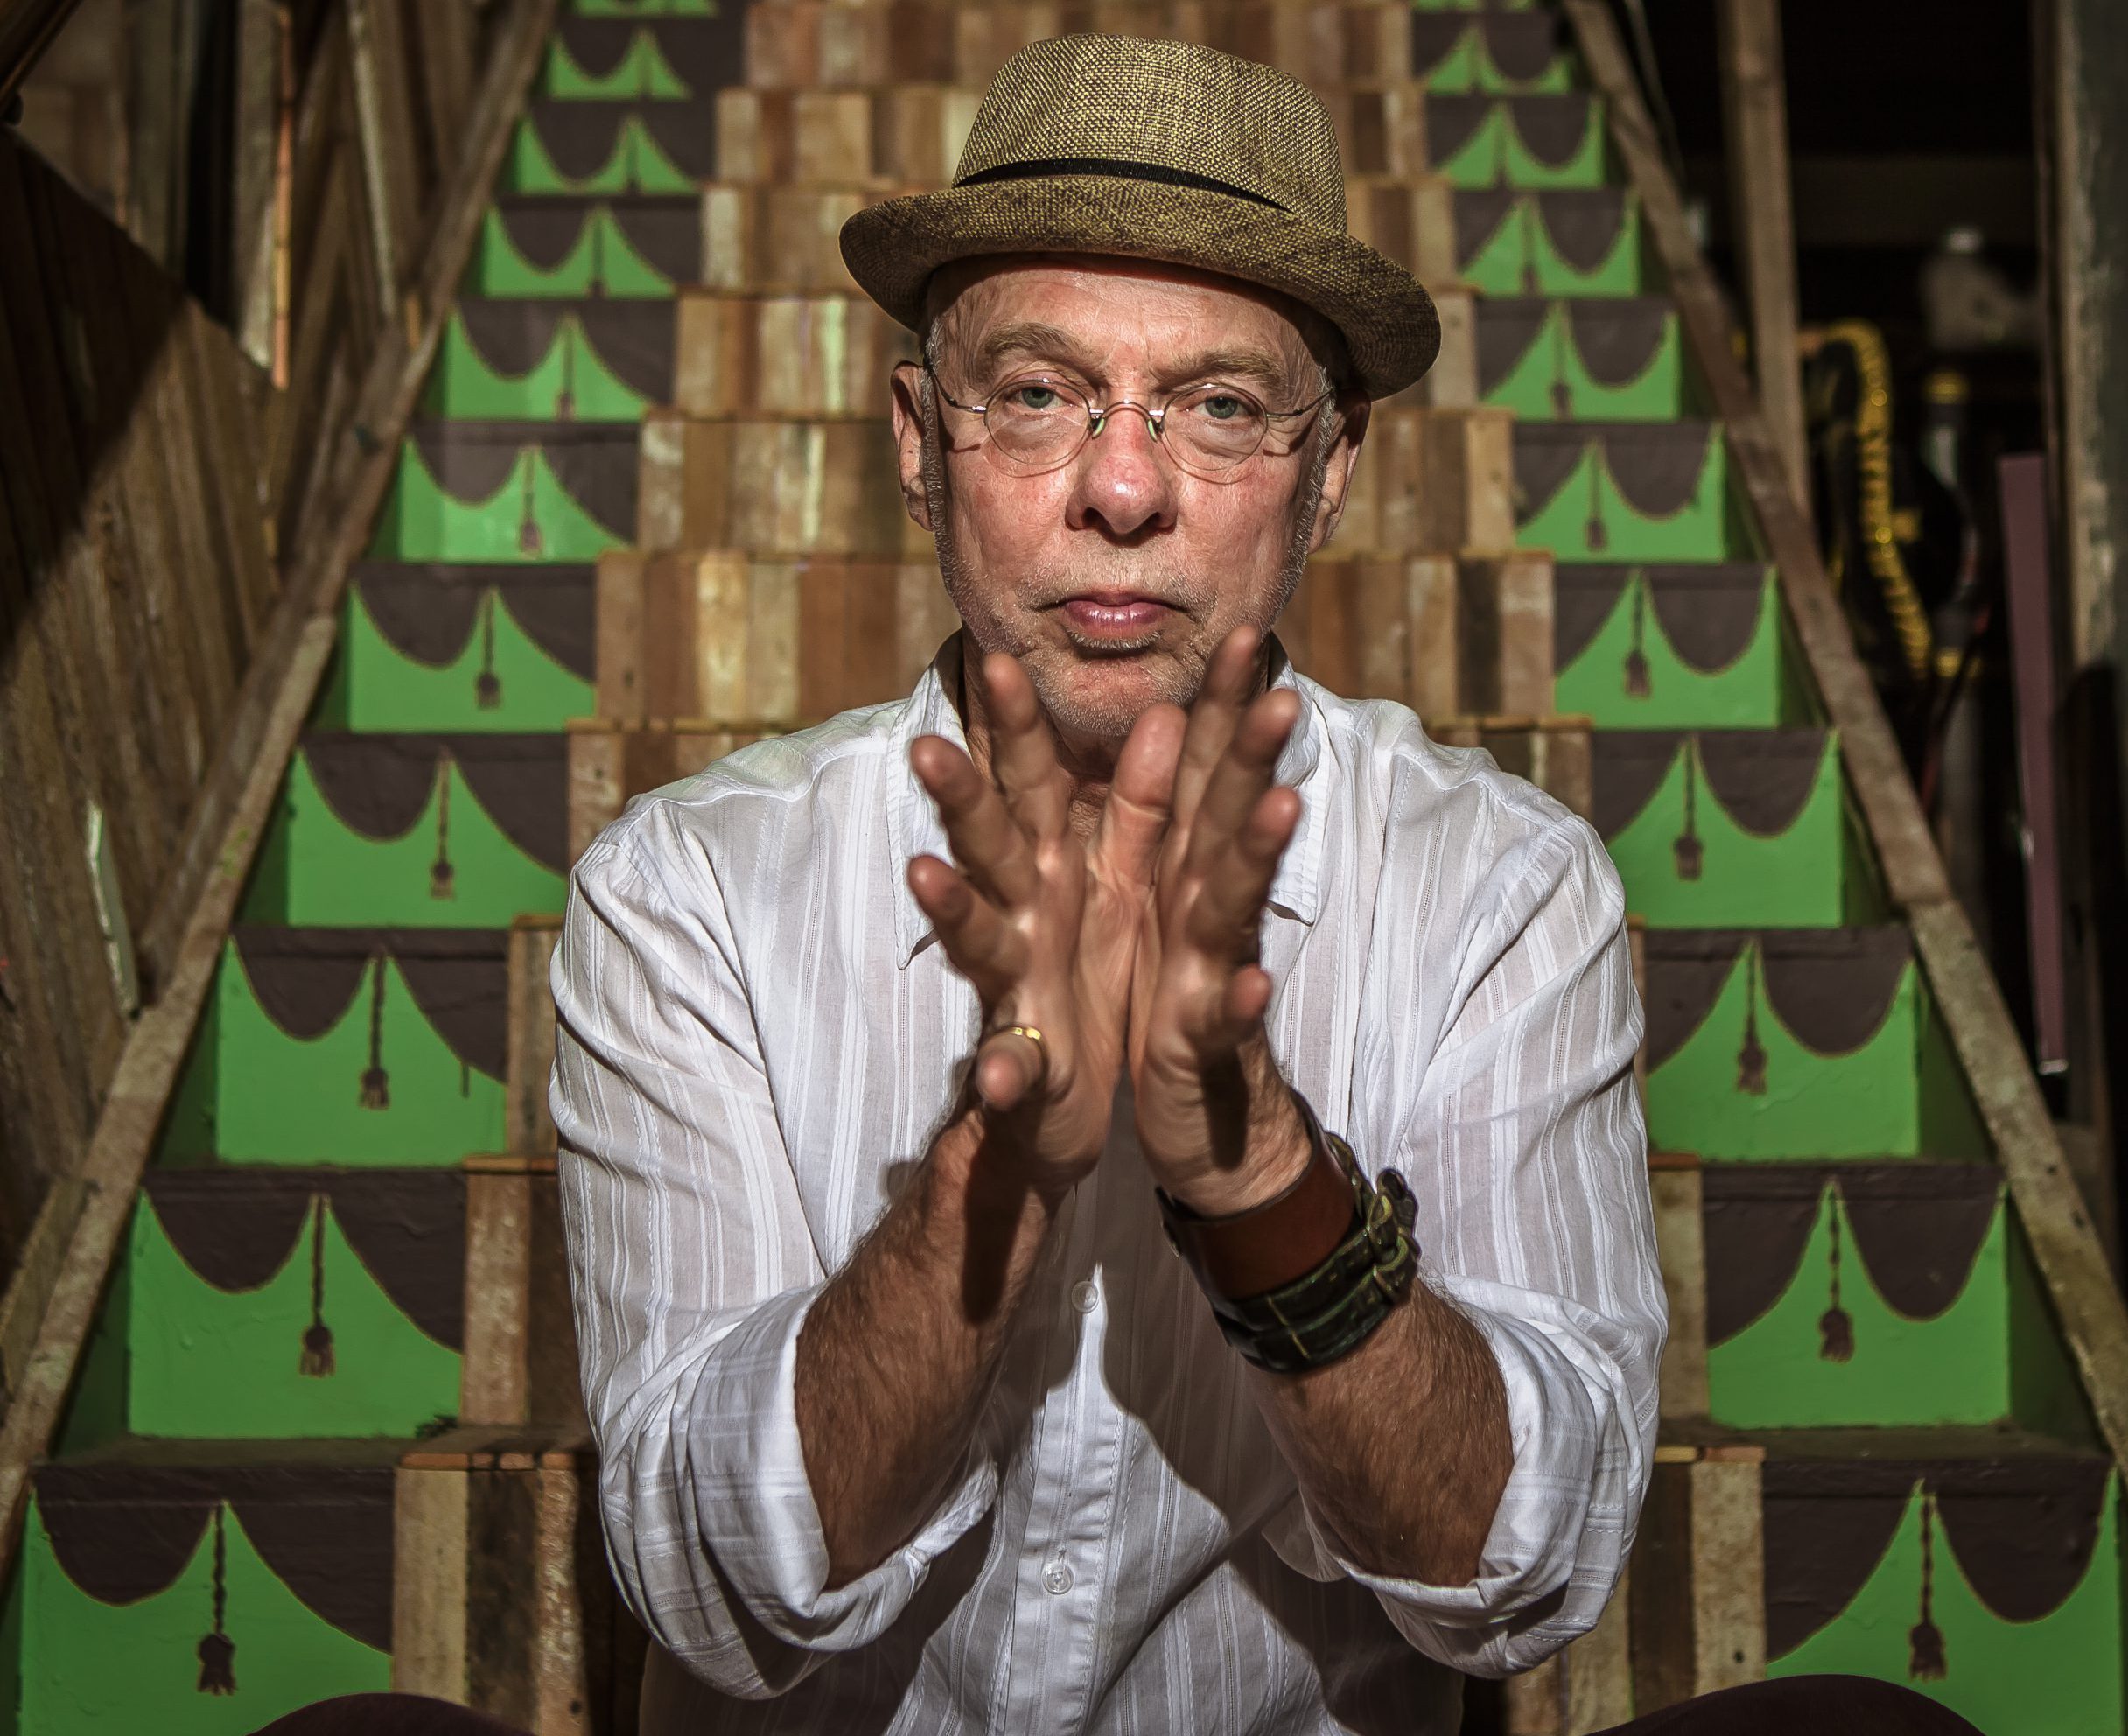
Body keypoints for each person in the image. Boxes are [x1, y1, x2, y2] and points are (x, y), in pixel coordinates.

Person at [525, 32, 1974, 1736]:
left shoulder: (1500, 889)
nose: (1121, 488)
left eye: (1217, 407)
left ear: (1331, 471)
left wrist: (1263, 1181)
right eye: (1037, 392)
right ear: (919, 440)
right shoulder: (683, 892)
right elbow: (713, 1584)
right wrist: (996, 1164)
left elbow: (1523, 1571)